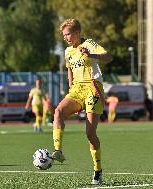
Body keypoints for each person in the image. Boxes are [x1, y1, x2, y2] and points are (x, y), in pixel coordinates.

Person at [52, 18, 112, 185]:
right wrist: (70, 86)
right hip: (77, 89)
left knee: (90, 134)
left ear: (77, 33)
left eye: (68, 34)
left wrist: (91, 54)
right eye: (64, 35)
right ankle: (58, 151)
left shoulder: (90, 43)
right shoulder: (67, 52)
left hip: (93, 88)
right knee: (58, 112)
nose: (66, 37)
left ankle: (98, 170)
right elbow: (69, 70)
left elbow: (109, 56)